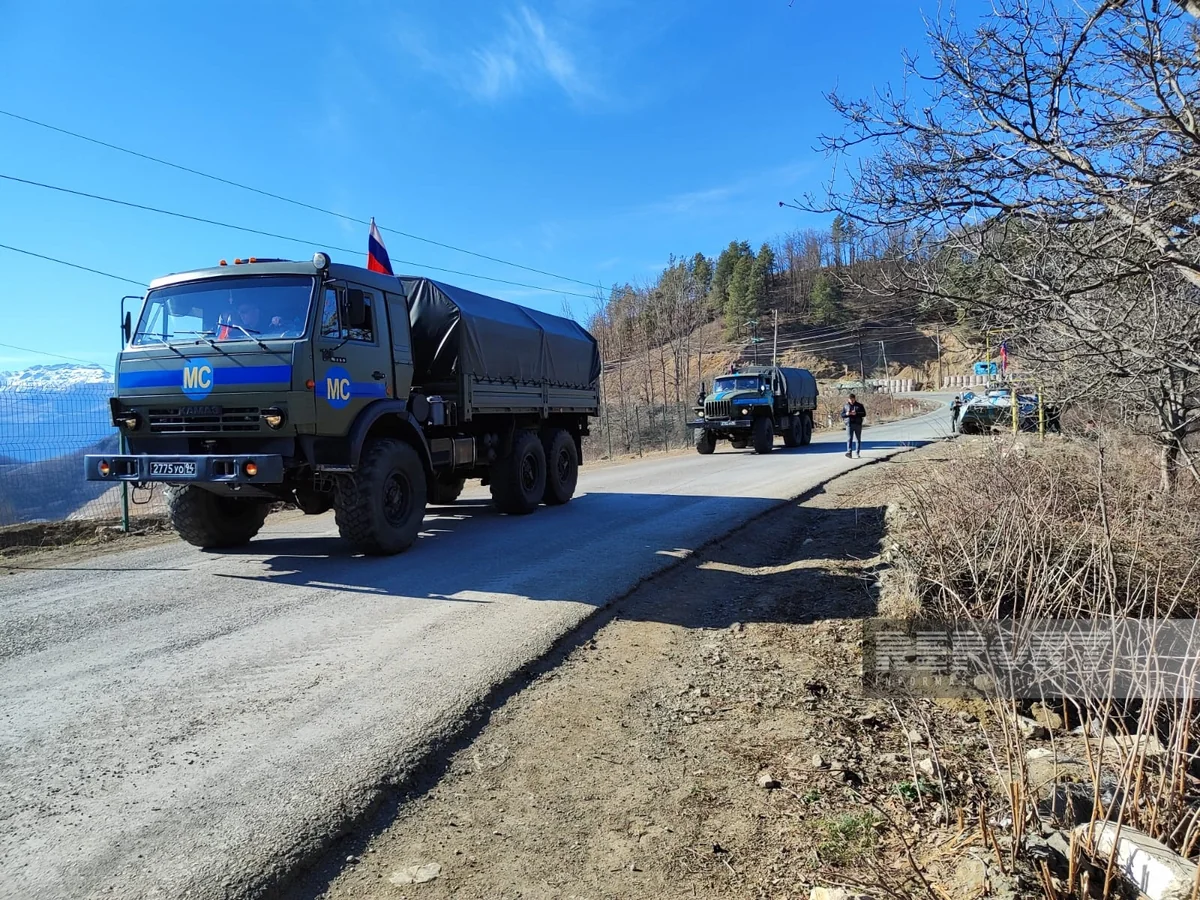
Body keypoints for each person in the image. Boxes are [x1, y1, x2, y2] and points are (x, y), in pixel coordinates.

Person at [841, 392, 866, 457]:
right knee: (849, 439)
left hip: (857, 424)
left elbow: (864, 414)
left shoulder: (859, 405)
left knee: (858, 439)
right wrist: (846, 414)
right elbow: (842, 415)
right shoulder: (846, 406)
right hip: (849, 424)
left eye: (852, 399)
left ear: (854, 399)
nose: (851, 401)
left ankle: (857, 453)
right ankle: (849, 452)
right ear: (848, 399)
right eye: (850, 399)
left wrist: (856, 413)